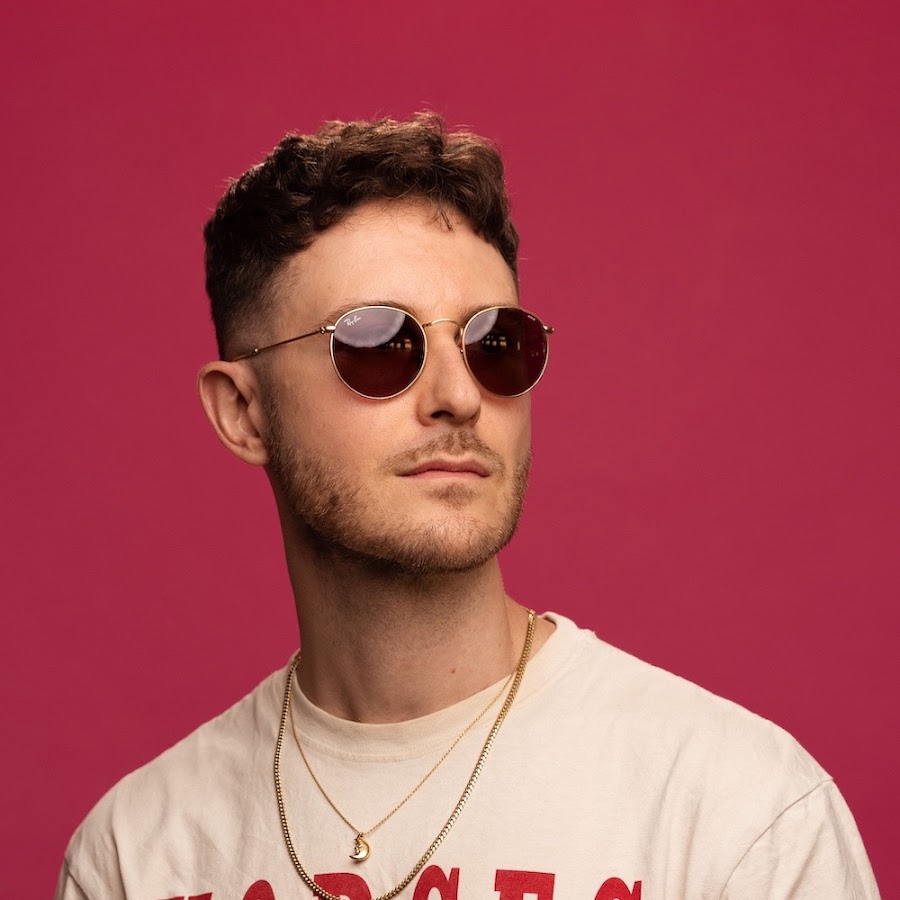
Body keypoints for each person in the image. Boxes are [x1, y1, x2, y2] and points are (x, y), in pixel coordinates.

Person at [55, 114, 880, 900]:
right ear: (244, 412)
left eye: (495, 344)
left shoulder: (740, 816)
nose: (460, 396)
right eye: (379, 343)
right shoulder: (137, 853)